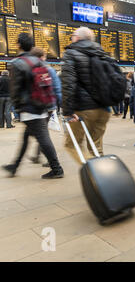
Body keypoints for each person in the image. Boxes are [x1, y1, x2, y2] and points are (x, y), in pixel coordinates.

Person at [2, 33, 64, 179]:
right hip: (42, 104)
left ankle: (57, 169)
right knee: (27, 137)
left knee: (43, 138)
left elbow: (15, 88)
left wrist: (17, 108)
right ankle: (14, 166)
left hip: (29, 107)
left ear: (18, 45)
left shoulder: (17, 63)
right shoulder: (39, 62)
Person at [61, 27, 111, 163]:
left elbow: (68, 83)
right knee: (96, 147)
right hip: (104, 108)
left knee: (72, 145)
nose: (71, 38)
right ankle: (105, 177)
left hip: (84, 108)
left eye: (72, 35)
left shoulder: (70, 53)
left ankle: (94, 175)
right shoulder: (102, 53)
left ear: (77, 37)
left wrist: (68, 110)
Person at [29, 47, 62, 166]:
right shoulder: (49, 70)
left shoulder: (31, 70)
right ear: (42, 57)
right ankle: (39, 156)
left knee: (42, 134)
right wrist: (59, 104)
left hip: (37, 106)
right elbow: (57, 88)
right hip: (48, 104)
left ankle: (51, 159)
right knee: (42, 133)